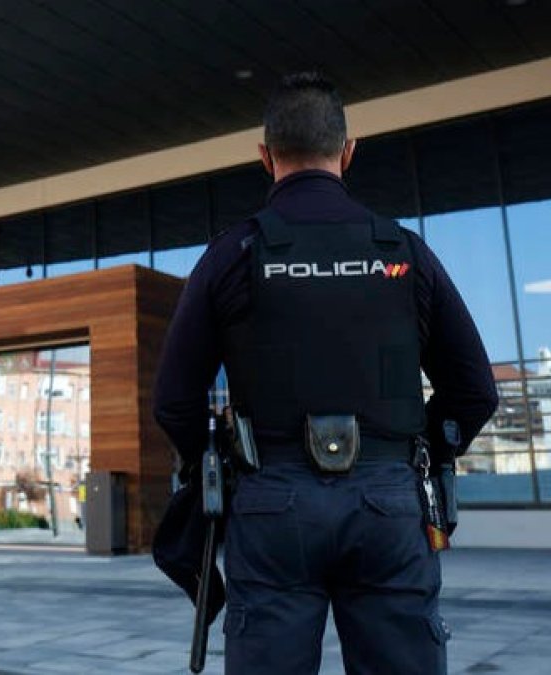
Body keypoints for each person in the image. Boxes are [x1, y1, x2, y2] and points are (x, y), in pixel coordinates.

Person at [153, 72, 499, 674]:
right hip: (389, 502)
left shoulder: (231, 254)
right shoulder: (404, 252)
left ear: (265, 157)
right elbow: (474, 390)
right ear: (348, 150)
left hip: (272, 503)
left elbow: (174, 401)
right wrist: (423, 452)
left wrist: (215, 465)